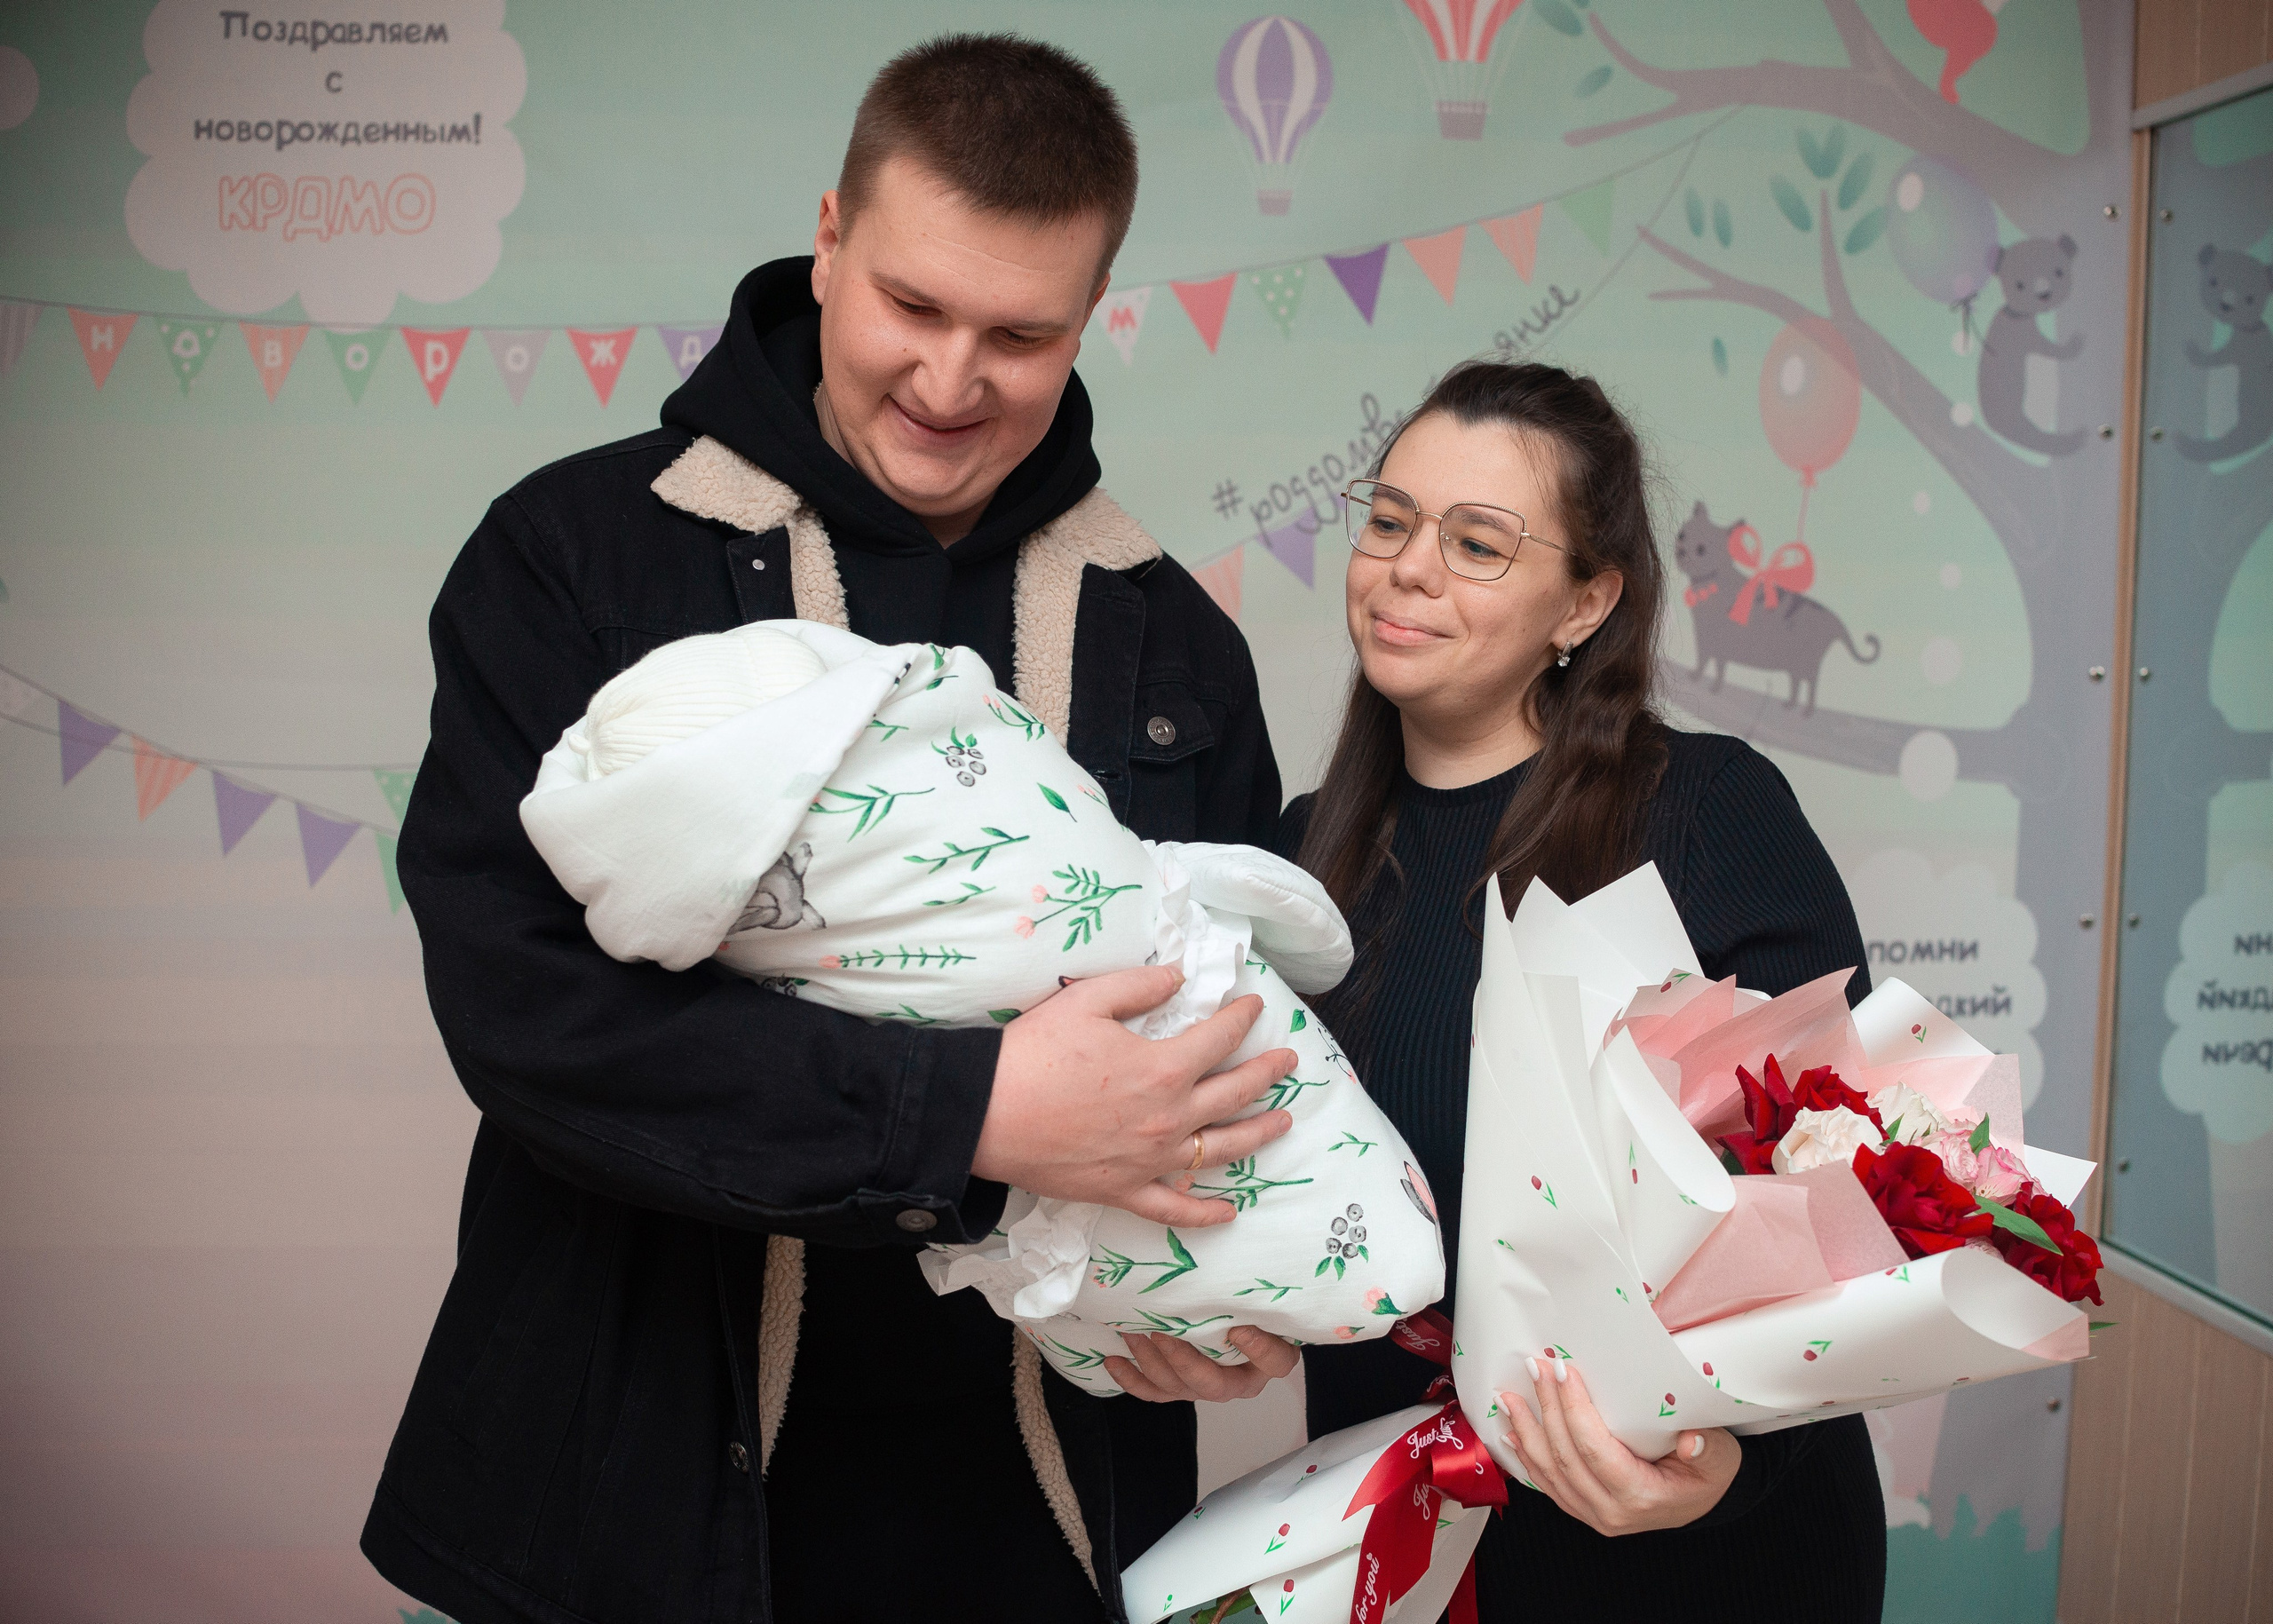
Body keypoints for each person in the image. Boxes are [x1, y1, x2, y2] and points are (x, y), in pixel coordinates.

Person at [362, 36, 1304, 1624]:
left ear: (1094, 316)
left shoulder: (1171, 645)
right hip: (635, 1507)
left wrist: (1223, 1291)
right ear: (827, 240)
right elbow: (531, 1021)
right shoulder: (577, 557)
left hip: (1042, 1520)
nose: (951, 384)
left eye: (1022, 334)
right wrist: (970, 1113)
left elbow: (1224, 1043)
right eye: (912, 308)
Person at [1280, 360, 1888, 1621]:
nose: (1408, 567)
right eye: (1389, 521)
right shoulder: (1300, 864)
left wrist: (1726, 1467)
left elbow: (1838, 1191)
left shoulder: (1704, 815)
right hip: (1411, 1545)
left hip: (1694, 1547)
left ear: (1586, 601)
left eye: (1479, 543)